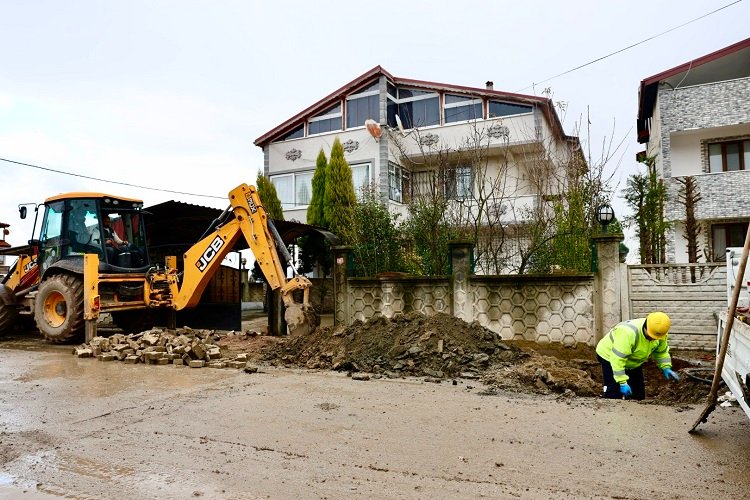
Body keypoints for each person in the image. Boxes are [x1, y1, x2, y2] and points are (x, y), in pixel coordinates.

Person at [596, 311, 681, 400]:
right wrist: (622, 382)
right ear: (646, 326)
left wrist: (666, 367)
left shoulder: (659, 332)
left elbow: (661, 352)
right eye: (651, 336)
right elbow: (617, 359)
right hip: (609, 356)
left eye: (655, 338)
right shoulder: (628, 334)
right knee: (613, 393)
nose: (653, 339)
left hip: (633, 361)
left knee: (638, 395)